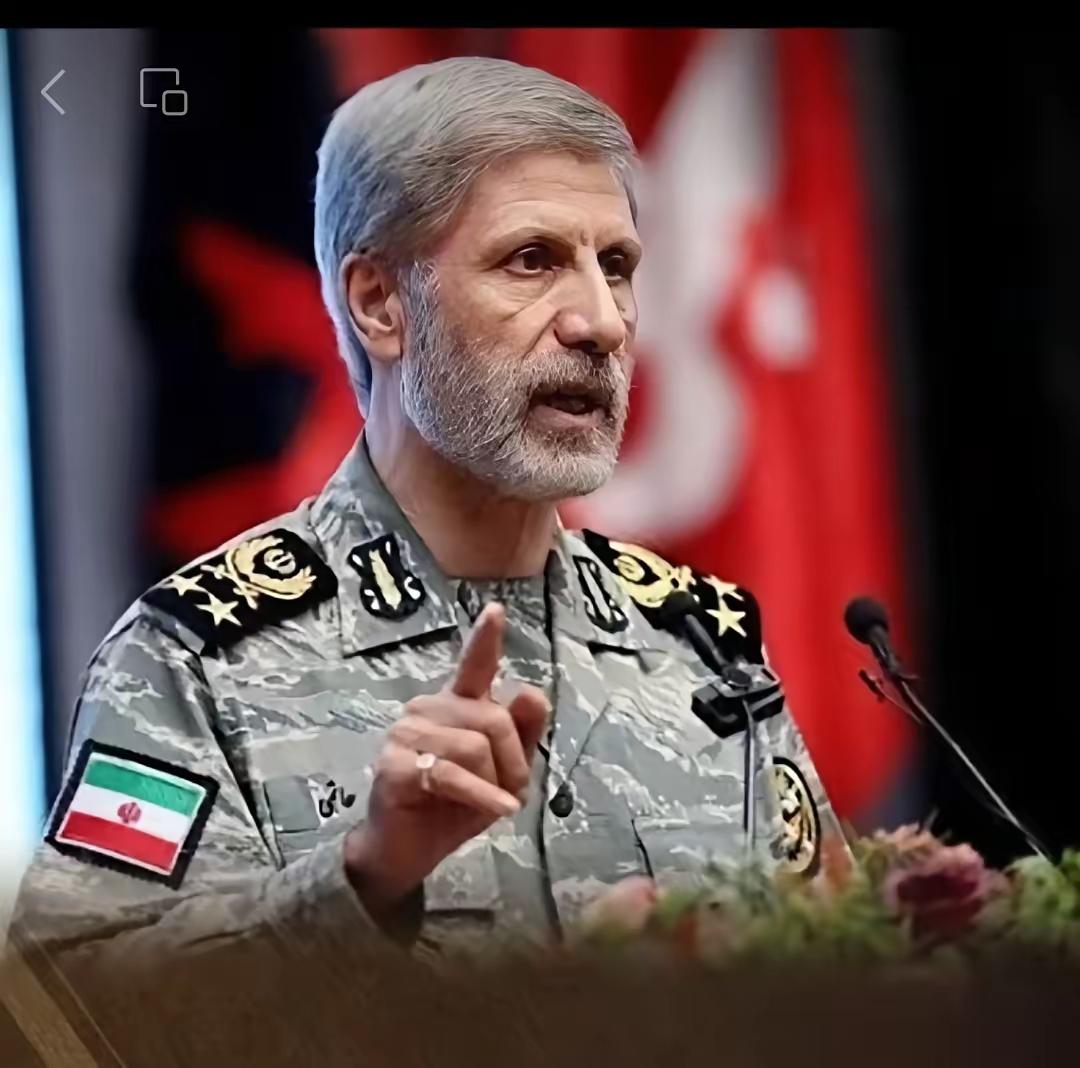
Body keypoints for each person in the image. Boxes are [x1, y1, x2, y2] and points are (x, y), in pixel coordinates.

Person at [10, 56, 843, 967]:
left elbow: (834, 965)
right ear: (379, 304)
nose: (602, 321)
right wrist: (363, 877)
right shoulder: (197, 662)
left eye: (616, 266)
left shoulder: (701, 645)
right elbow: (77, 1009)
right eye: (533, 261)